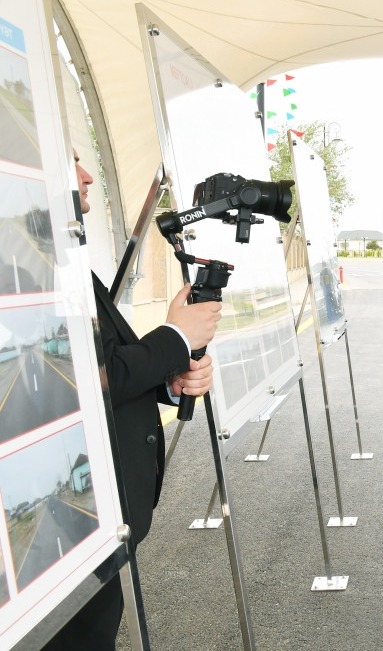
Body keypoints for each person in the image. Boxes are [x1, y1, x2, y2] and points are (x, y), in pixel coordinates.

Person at [42, 150, 221, 650]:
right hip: (68, 522)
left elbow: (103, 365)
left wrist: (168, 384)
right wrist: (175, 339)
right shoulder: (27, 267)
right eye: (70, 162)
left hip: (98, 520)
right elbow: (80, 380)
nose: (87, 177)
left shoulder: (58, 254)